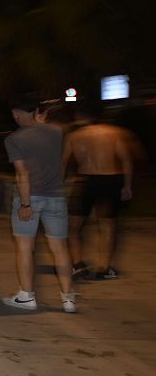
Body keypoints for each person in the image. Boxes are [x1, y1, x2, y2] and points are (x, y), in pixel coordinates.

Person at [2, 95, 76, 312]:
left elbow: (22, 174)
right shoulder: (56, 132)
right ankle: (68, 299)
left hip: (30, 197)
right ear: (37, 111)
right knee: (60, 248)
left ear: (16, 114)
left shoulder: (14, 139)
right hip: (56, 196)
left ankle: (27, 296)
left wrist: (25, 205)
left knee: (25, 247)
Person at [63, 108, 134, 280]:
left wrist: (59, 186)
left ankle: (78, 264)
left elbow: (62, 163)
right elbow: (126, 160)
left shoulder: (74, 136)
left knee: (73, 227)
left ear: (80, 117)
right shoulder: (114, 133)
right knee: (107, 226)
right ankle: (104, 268)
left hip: (85, 180)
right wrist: (127, 186)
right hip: (110, 181)